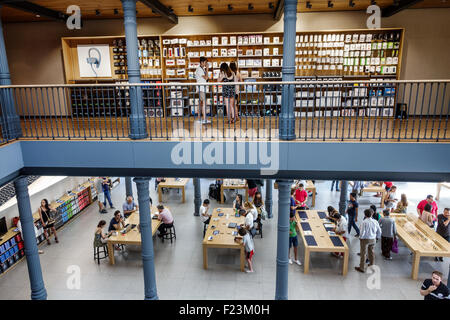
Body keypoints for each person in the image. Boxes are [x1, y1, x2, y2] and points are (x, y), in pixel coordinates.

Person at [355, 209, 381, 273]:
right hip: (373, 239)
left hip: (365, 239)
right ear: (371, 214)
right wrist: (377, 237)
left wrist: (360, 237)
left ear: (365, 214)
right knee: (371, 252)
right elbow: (379, 231)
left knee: (363, 253)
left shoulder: (364, 222)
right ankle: (372, 265)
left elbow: (362, 231)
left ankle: (362, 267)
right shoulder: (375, 221)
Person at [195, 56, 209, 124]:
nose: (206, 64)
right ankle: (204, 118)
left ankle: (199, 118)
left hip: (202, 88)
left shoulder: (201, 69)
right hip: (201, 88)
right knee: (204, 103)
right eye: (205, 62)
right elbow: (206, 78)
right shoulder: (199, 69)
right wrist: (207, 69)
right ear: (202, 62)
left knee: (200, 103)